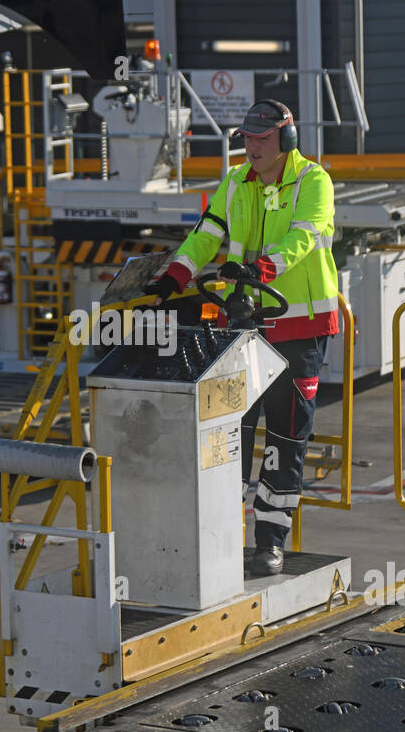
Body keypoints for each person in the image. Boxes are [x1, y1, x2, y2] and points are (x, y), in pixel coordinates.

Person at [144, 100, 339, 576]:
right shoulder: (234, 183)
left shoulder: (313, 182)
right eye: (247, 139)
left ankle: (269, 542)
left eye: (261, 139)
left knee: (286, 437)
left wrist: (259, 271)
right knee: (232, 433)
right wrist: (174, 275)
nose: (251, 147)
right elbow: (206, 234)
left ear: (286, 142)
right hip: (241, 325)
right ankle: (223, 536)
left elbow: (304, 237)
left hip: (298, 327)